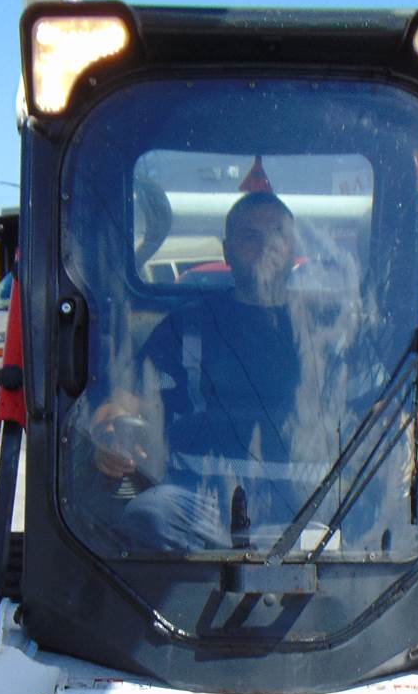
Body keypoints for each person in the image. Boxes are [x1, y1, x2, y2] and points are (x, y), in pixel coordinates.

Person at [85, 190, 322, 552]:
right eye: (250, 237)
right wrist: (110, 435)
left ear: (294, 248)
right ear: (227, 251)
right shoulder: (186, 328)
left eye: (277, 234)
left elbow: (379, 406)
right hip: (204, 506)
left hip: (310, 505)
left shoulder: (327, 331)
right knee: (150, 514)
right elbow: (124, 401)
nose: (265, 247)